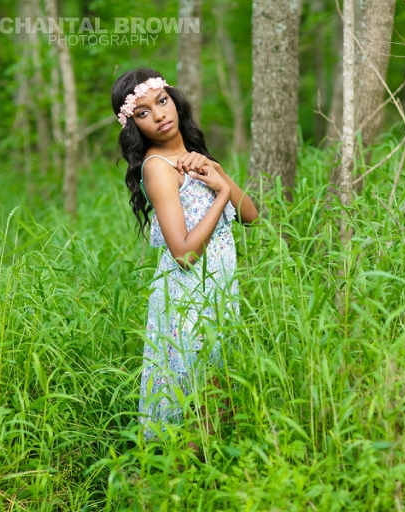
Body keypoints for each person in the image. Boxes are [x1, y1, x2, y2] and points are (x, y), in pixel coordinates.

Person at [110, 68, 258, 444]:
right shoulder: (158, 168)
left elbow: (251, 215)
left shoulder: (192, 156)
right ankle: (178, 474)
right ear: (133, 125)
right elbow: (184, 255)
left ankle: (209, 473)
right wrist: (220, 195)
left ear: (174, 100)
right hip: (189, 297)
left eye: (162, 101)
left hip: (218, 291)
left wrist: (216, 172)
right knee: (195, 401)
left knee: (217, 399)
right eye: (143, 112)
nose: (159, 114)